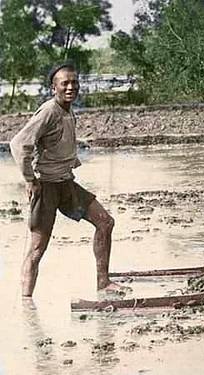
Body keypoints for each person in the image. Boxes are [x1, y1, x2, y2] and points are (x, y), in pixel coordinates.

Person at [10, 62, 126, 297]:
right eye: (65, 83)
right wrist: (30, 180)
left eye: (74, 82)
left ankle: (103, 283)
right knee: (36, 249)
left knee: (105, 222)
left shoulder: (67, 110)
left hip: (66, 182)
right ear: (54, 88)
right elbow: (19, 143)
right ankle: (26, 303)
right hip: (46, 186)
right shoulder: (49, 111)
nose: (71, 87)